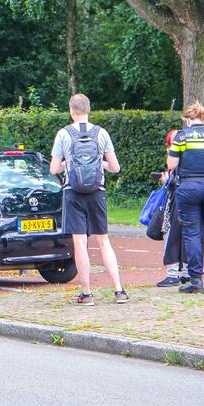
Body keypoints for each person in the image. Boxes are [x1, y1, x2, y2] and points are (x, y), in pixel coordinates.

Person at [50, 93, 128, 305]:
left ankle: (87, 293)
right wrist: (98, 164)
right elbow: (115, 167)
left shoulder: (63, 134)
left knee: (80, 242)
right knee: (104, 240)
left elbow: (54, 168)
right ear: (88, 110)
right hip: (97, 191)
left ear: (71, 111)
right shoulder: (101, 133)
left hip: (73, 192)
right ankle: (119, 290)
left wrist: (68, 163)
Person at [166, 102, 204, 294]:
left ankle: (196, 280)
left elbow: (172, 164)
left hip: (189, 187)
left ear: (187, 118)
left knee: (192, 233)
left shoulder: (182, 136)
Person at [157, 129, 187, 287]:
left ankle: (172, 273)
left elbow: (173, 179)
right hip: (191, 197)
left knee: (171, 234)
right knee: (189, 234)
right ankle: (188, 273)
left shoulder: (175, 156)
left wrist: (165, 180)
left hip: (176, 199)